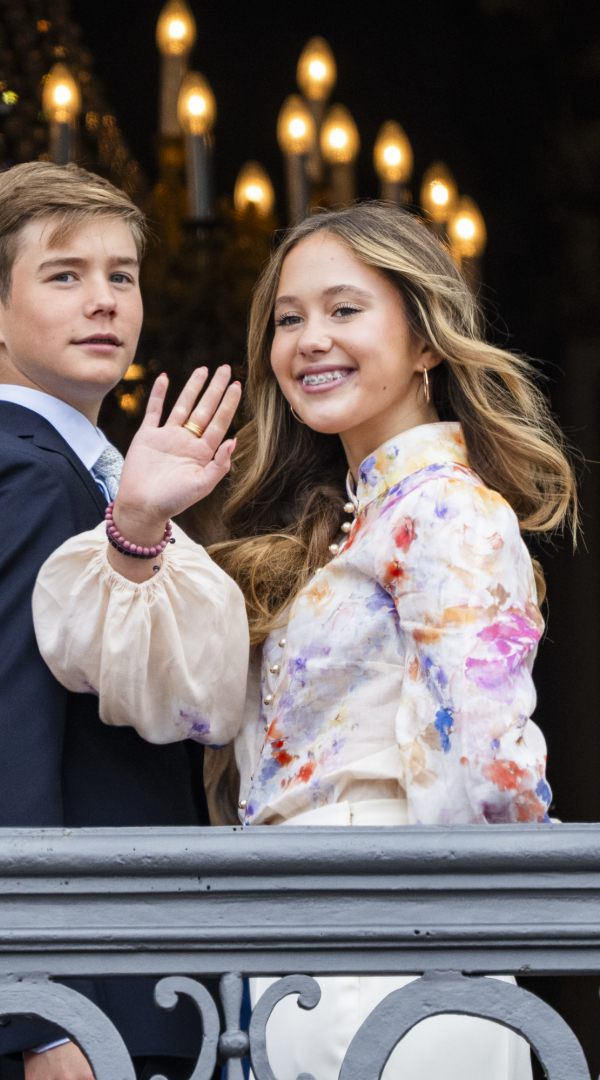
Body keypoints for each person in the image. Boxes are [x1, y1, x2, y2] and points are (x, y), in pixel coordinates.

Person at [32, 202, 577, 1080]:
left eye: (344, 309)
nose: (309, 339)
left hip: (404, 938)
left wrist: (475, 939)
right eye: (289, 319)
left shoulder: (446, 510)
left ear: (427, 340)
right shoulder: (346, 529)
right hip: (303, 938)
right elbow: (184, 704)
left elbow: (488, 766)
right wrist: (136, 522)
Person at [0, 161, 243, 1080]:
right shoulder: (17, 478)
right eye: (64, 275)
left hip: (141, 994)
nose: (104, 301)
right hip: (90, 1020)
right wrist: (38, 1018)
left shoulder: (91, 473)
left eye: (121, 276)